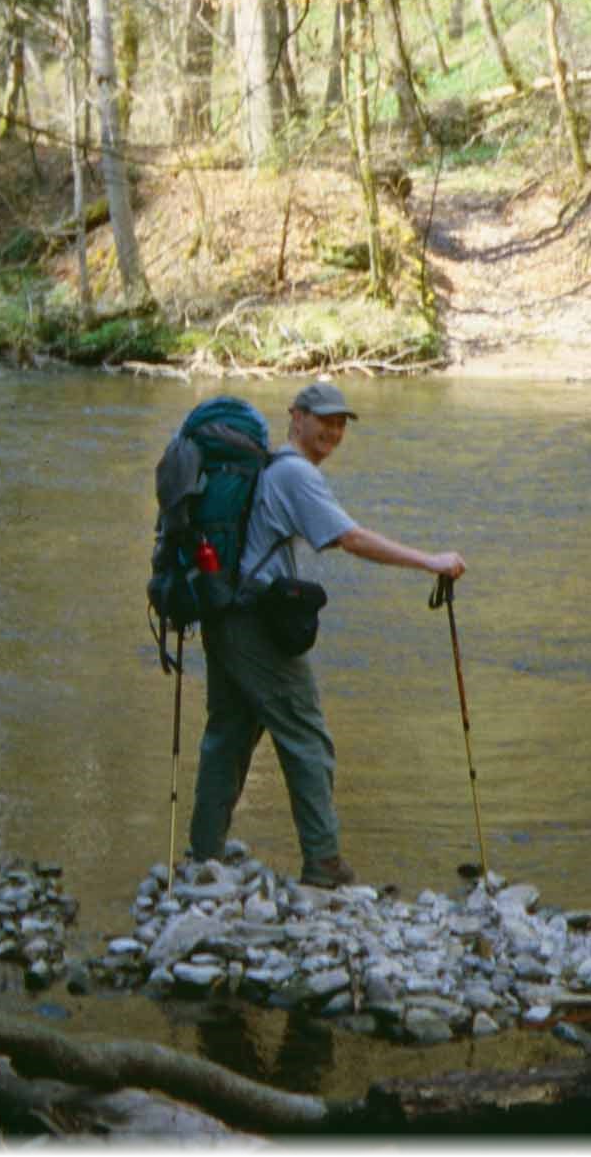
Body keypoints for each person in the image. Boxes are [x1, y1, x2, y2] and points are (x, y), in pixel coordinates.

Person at [188, 379, 466, 886]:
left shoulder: (271, 467)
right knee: (308, 738)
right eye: (325, 420)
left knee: (228, 735)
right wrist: (432, 562)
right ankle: (323, 862)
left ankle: (204, 855)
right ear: (296, 417)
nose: (334, 431)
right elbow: (350, 538)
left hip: (224, 615)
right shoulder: (295, 474)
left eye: (341, 423)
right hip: (255, 626)